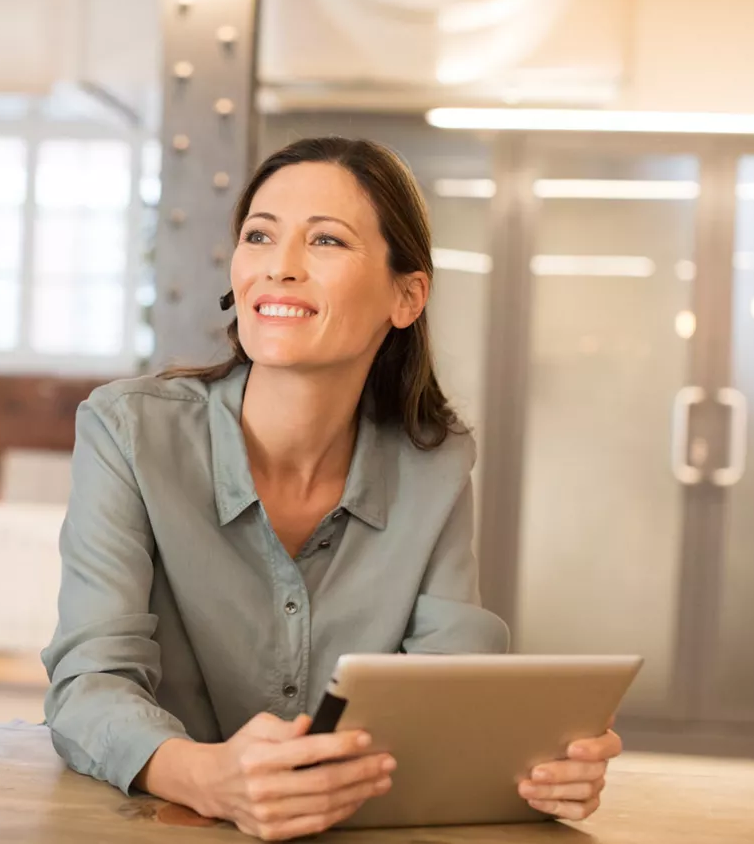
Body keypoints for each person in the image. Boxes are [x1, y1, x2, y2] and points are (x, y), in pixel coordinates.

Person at [41, 136, 621, 841]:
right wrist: (206, 775)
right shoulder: (128, 433)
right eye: (260, 235)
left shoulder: (432, 466)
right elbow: (89, 684)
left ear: (407, 296)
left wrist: (531, 766)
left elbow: (450, 684)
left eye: (325, 241)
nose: (279, 268)